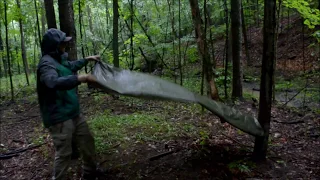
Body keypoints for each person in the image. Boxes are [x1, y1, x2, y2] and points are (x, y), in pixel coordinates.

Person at [36, 28, 100, 180]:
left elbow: (69, 66)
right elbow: (52, 82)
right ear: (54, 46)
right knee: (64, 153)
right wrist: (81, 78)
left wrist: (87, 59)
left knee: (87, 141)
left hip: (73, 112)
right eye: (63, 44)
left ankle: (90, 174)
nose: (65, 46)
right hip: (59, 116)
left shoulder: (59, 59)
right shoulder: (46, 64)